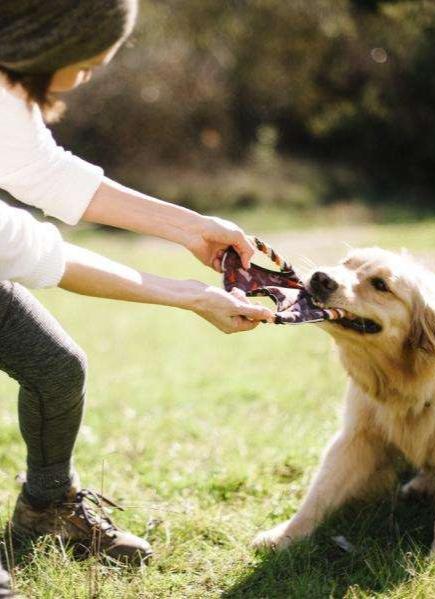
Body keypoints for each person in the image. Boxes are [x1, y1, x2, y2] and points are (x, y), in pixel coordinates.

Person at [0, 1, 273, 594]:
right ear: (47, 42)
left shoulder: (5, 89)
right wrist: (191, 298)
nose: (95, 72)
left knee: (55, 368)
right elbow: (35, 252)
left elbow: (46, 174)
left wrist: (189, 227)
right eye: (91, 60)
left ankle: (47, 509)